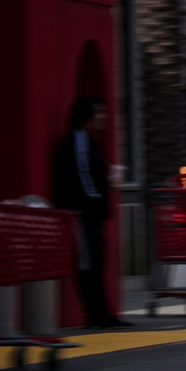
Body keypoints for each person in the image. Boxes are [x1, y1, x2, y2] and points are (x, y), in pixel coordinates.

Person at [52, 96, 132, 329]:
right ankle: (94, 314)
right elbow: (83, 172)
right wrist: (95, 199)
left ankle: (102, 313)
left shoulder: (91, 142)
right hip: (82, 213)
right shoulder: (78, 139)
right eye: (99, 113)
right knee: (88, 263)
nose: (104, 117)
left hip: (91, 213)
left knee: (97, 262)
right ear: (86, 116)